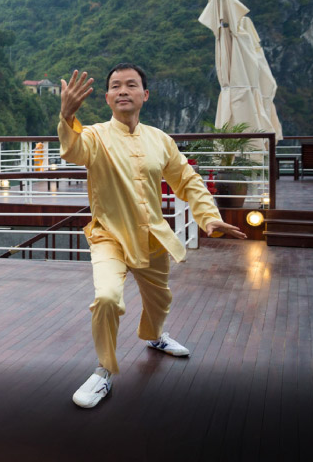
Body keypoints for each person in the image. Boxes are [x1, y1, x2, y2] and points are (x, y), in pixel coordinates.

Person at [59, 63, 246, 408]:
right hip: (109, 237)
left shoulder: (160, 140)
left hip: (152, 237)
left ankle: (155, 337)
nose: (123, 91)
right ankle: (104, 372)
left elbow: (187, 180)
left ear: (144, 95)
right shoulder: (96, 136)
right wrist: (67, 117)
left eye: (131, 85)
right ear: (107, 97)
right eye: (115, 86)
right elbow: (73, 150)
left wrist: (209, 217)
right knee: (107, 298)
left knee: (159, 301)